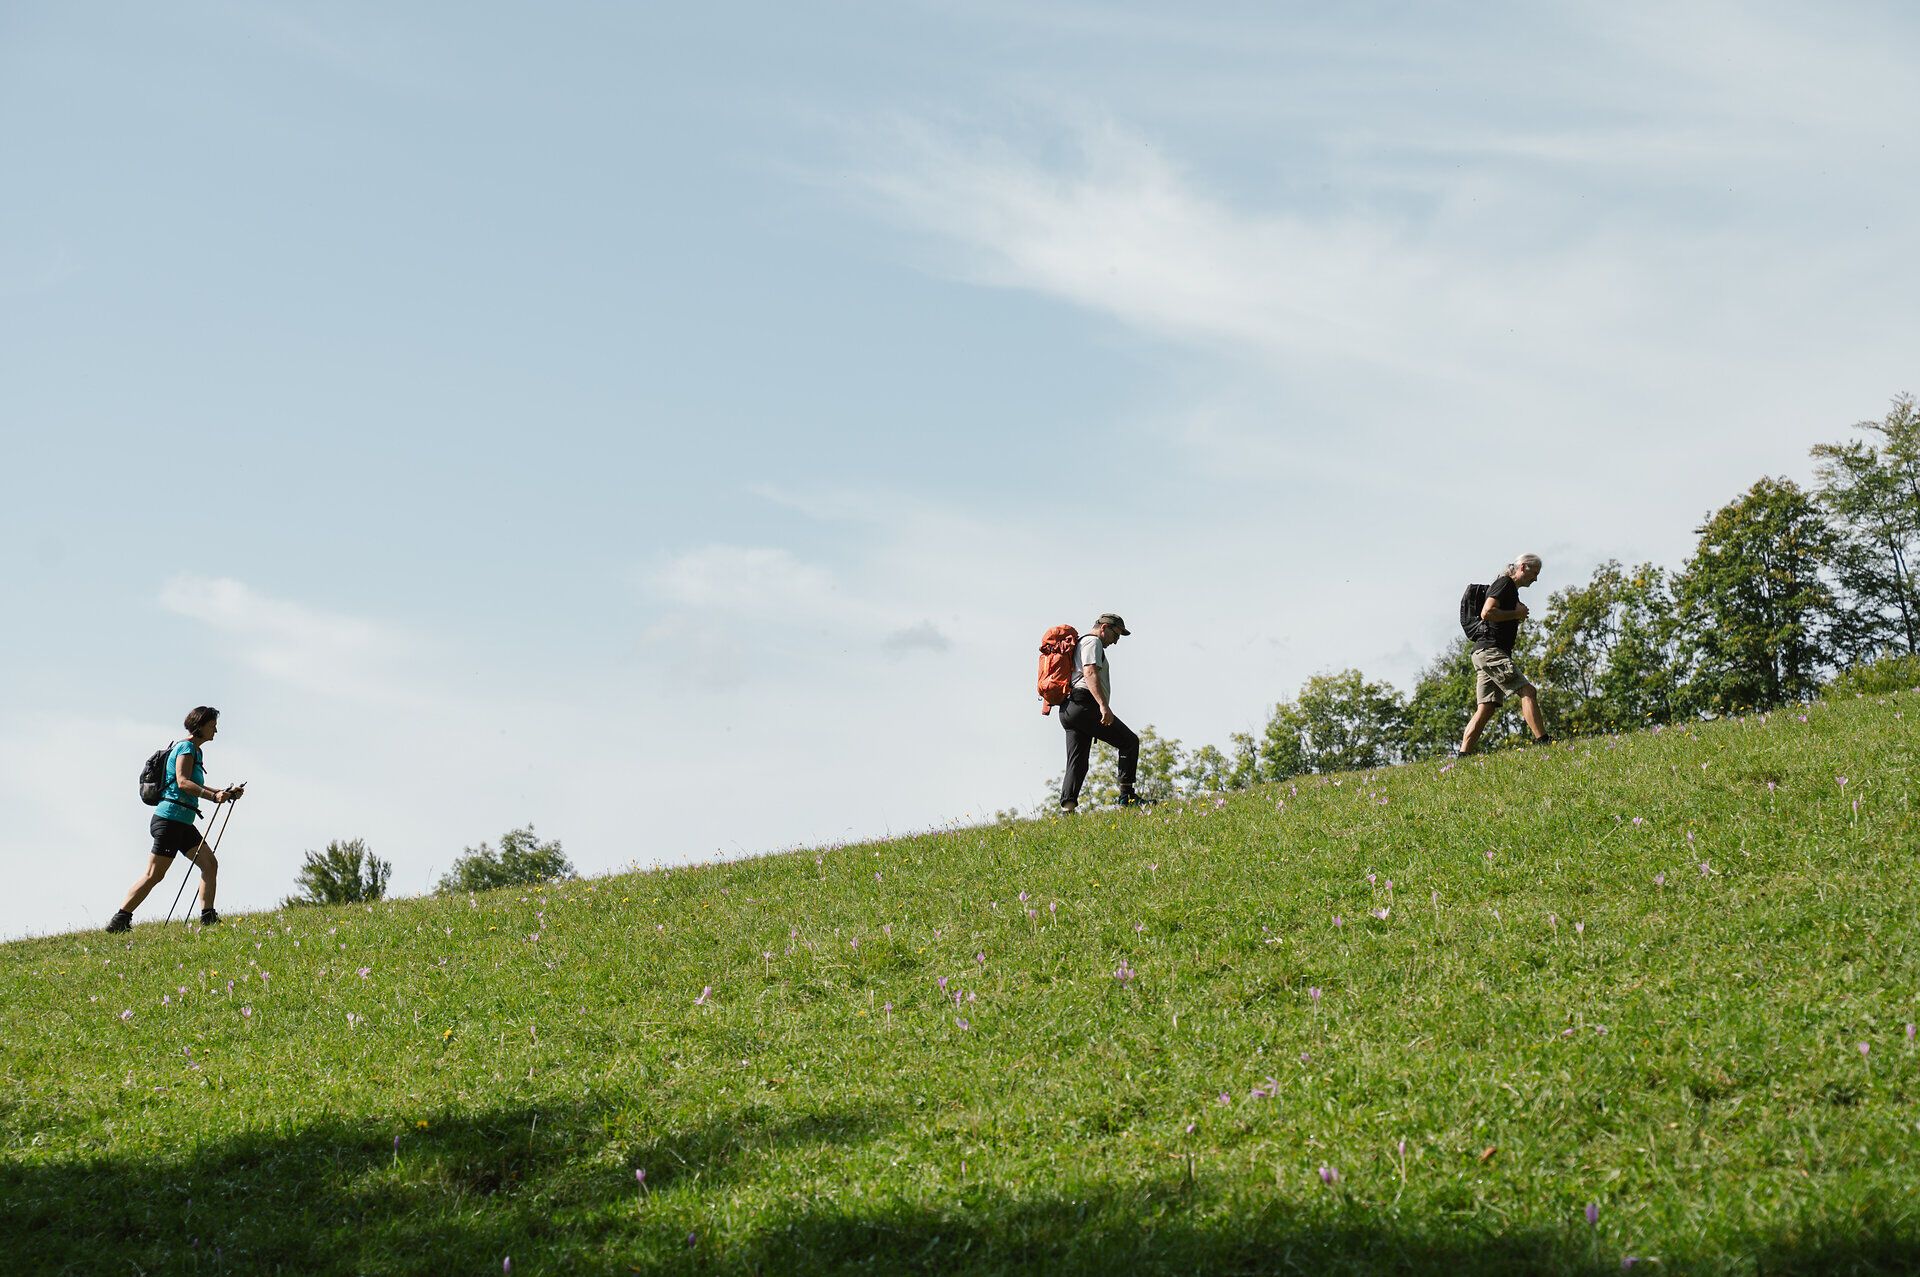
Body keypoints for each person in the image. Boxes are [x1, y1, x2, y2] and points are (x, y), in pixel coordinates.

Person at [106, 706, 244, 932]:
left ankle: (208, 917)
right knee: (154, 874)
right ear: (200, 726)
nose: (216, 731)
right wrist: (213, 796)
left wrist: (224, 793)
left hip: (183, 822)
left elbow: (193, 784)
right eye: (212, 726)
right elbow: (183, 782)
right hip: (169, 820)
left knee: (209, 864)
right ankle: (120, 920)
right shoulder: (186, 747)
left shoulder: (196, 752)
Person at [1457, 556, 1552, 755]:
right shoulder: (1505, 584)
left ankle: (1463, 755)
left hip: (1484, 652)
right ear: (1523, 567)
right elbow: (1487, 612)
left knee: (1487, 707)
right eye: (1534, 573)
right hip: (1491, 651)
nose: (1535, 579)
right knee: (1528, 691)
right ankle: (1543, 741)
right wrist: (1516, 615)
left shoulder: (1509, 590)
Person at [1058, 613, 1145, 810]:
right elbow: (1089, 672)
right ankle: (1127, 797)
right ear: (1104, 627)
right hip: (1084, 704)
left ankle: (1067, 809)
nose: (1116, 642)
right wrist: (1103, 706)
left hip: (1069, 709)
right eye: (1117, 635)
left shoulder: (1081, 643)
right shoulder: (1092, 642)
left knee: (1077, 761)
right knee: (1129, 742)